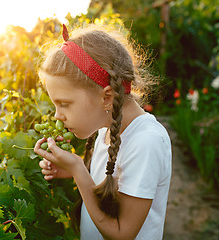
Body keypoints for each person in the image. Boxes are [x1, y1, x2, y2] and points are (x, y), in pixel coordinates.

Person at [34, 24, 172, 240]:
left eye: (64, 104)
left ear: (107, 97)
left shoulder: (146, 142)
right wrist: (71, 172)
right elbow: (110, 186)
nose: (57, 116)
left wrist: (79, 170)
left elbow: (121, 233)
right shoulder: (106, 130)